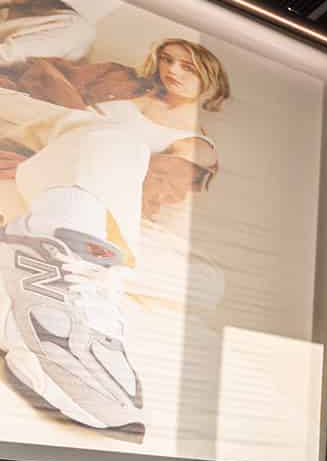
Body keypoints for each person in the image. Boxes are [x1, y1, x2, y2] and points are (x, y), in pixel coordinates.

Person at [0, 35, 233, 435]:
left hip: (67, 201)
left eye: (187, 66)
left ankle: (53, 281)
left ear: (209, 79)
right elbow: (37, 76)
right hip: (28, 156)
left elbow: (155, 192)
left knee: (207, 283)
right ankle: (52, 314)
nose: (172, 70)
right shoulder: (120, 81)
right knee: (111, 140)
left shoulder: (197, 146)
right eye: (167, 60)